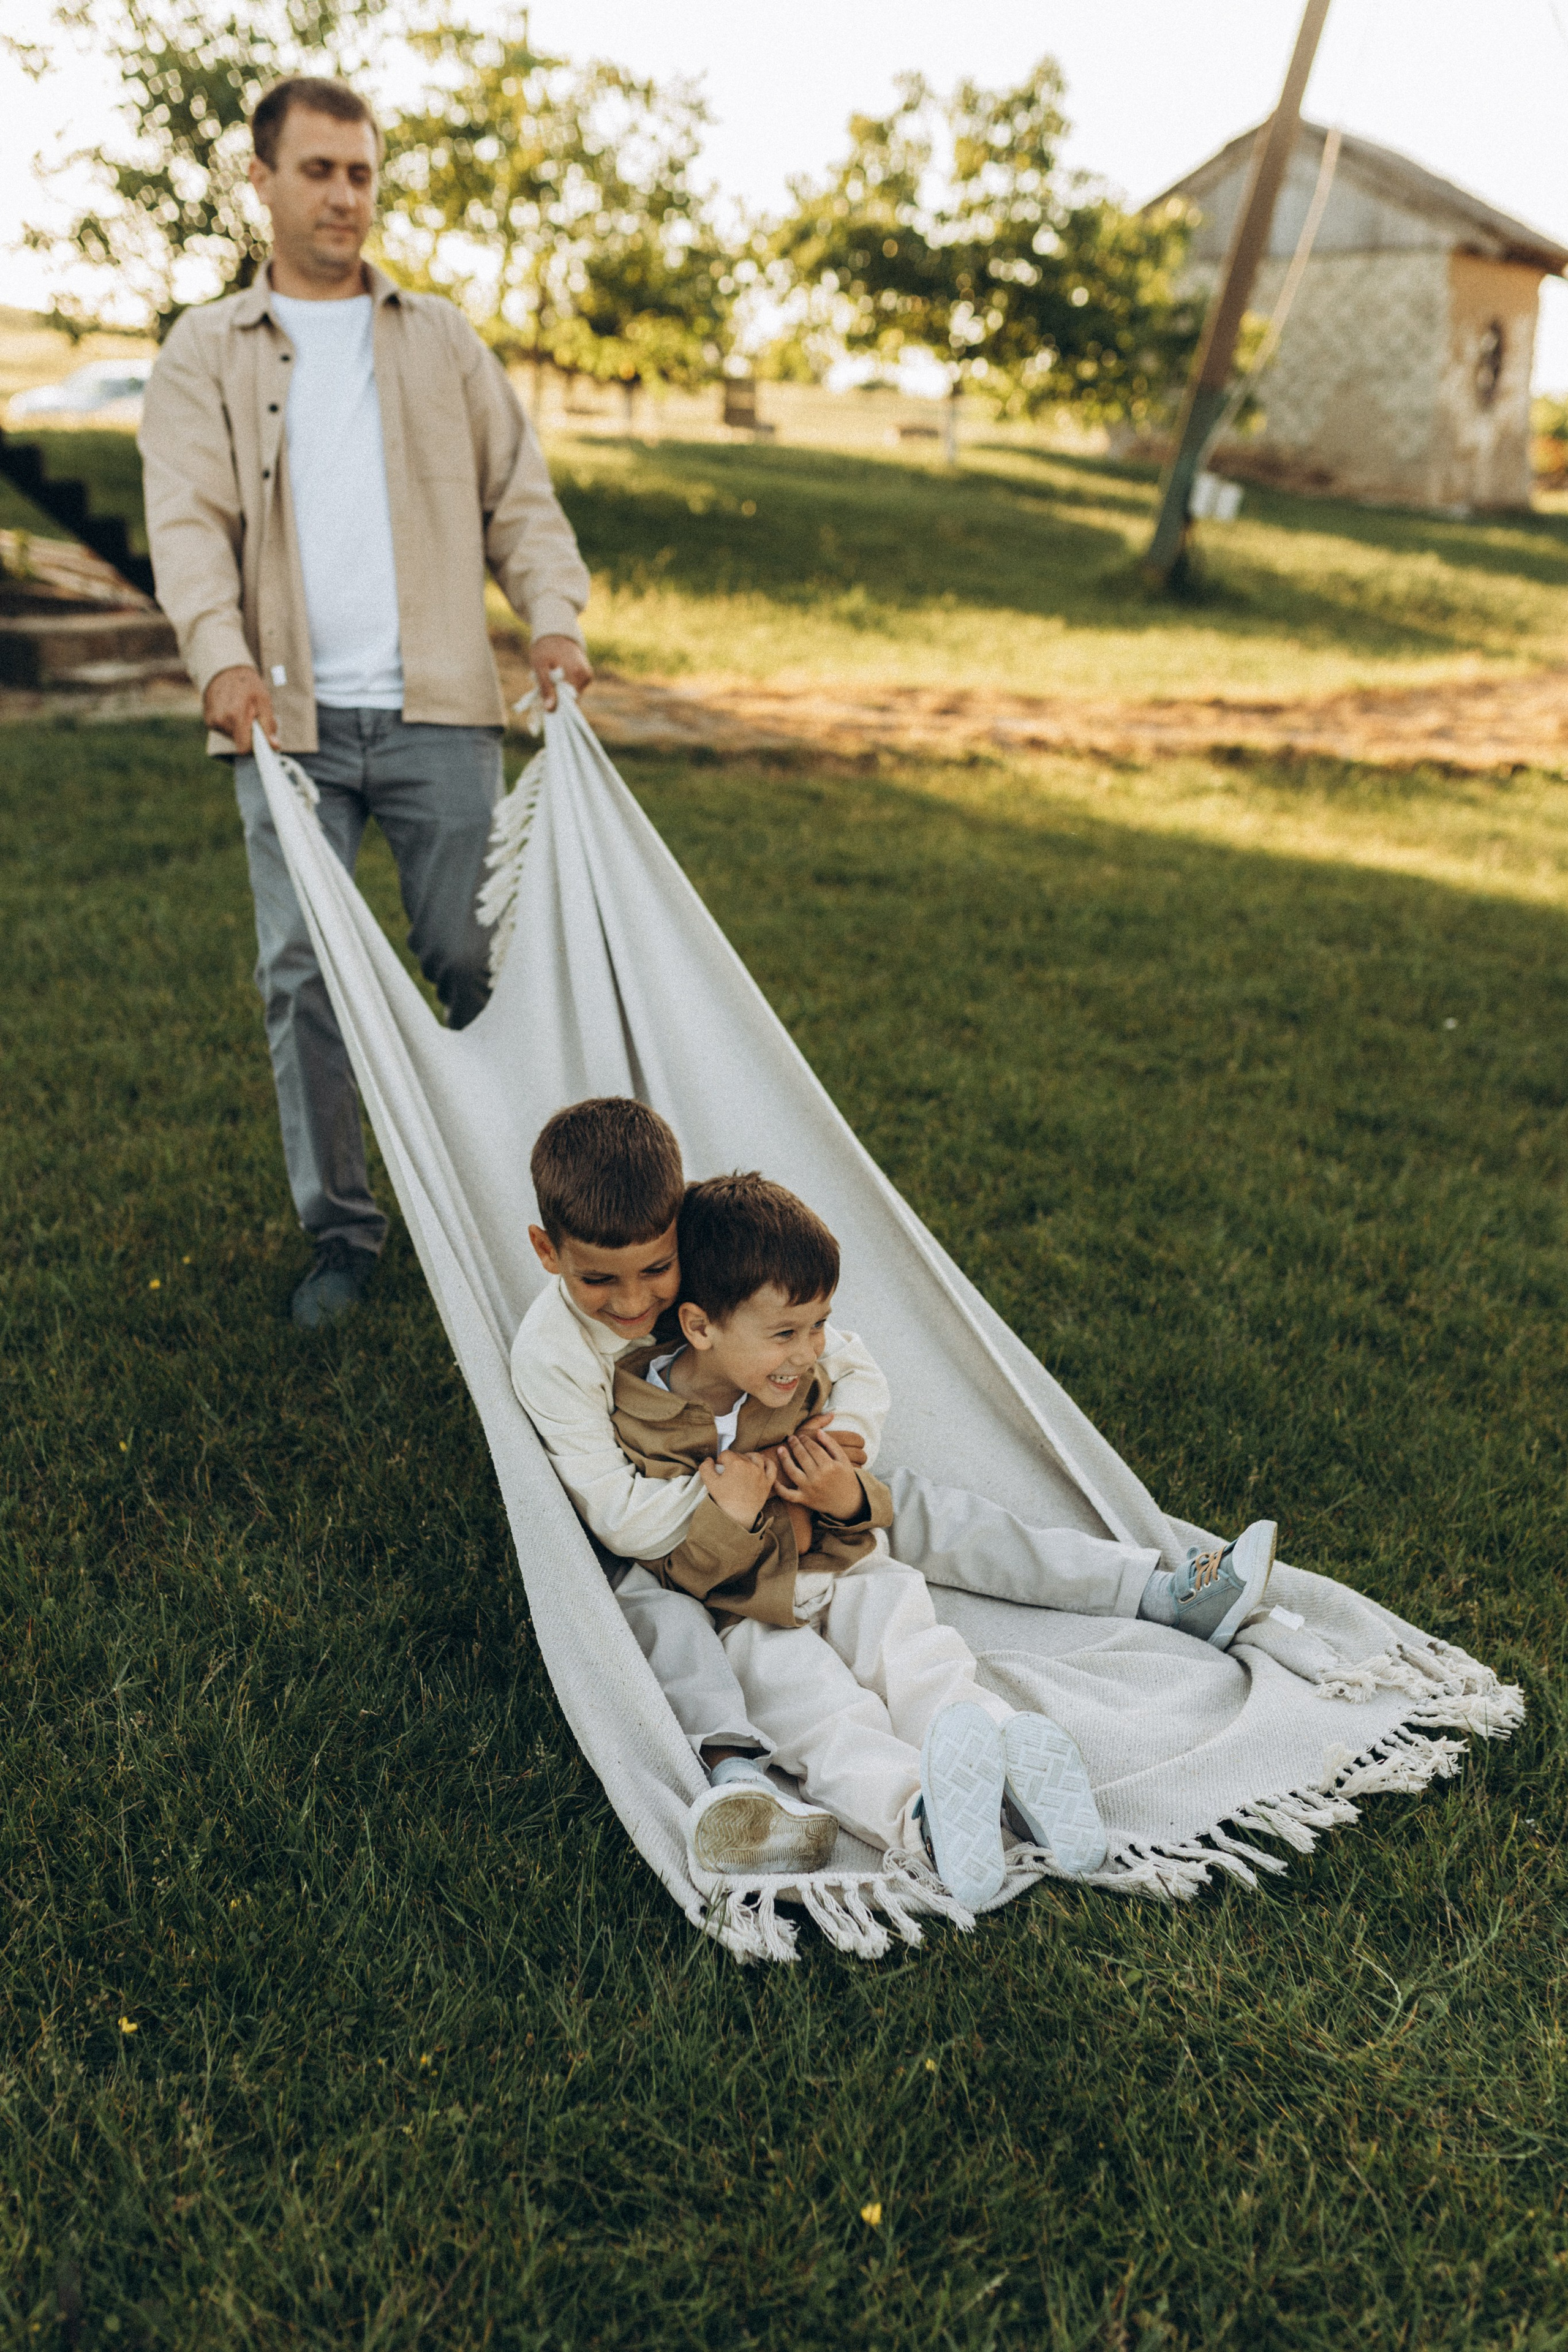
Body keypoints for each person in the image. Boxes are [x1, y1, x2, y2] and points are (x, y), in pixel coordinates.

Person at [138, 74, 594, 1327]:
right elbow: (186, 527)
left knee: (473, 957)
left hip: (440, 708)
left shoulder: (439, 336)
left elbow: (521, 500)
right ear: (263, 181)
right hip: (284, 728)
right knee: (306, 975)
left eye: (360, 172)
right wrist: (219, 659)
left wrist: (551, 622)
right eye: (319, 170)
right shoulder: (203, 352)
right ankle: (344, 1239)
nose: (345, 194)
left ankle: (552, 1223)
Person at [511, 1098, 889, 1880]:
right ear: (547, 1252)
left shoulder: (704, 1276)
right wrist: (733, 1508)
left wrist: (843, 1439)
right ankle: (736, 1780)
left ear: (681, 1231)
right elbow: (616, 1513)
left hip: (775, 1492)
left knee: (921, 1524)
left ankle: (1150, 1586)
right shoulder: (551, 1354)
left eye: (656, 1268)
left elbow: (837, 1354)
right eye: (597, 1279)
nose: (634, 1301)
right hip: (658, 1540)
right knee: (662, 1620)